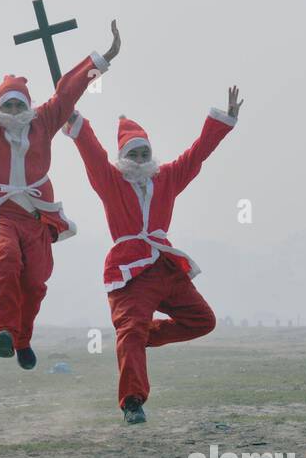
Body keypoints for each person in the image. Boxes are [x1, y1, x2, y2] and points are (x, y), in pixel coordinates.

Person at [0, 22, 120, 370]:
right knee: (7, 258)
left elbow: (69, 91)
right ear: (0, 107)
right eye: (7, 106)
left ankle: (23, 338)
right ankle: (3, 331)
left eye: (18, 105)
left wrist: (104, 58)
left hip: (37, 217)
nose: (13, 112)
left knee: (36, 279)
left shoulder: (44, 121)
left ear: (27, 106)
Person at [63, 87, 242, 423]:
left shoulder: (168, 178)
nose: (141, 160)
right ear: (123, 159)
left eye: (145, 154)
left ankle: (136, 340)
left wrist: (225, 119)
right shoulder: (110, 181)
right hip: (130, 270)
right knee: (130, 331)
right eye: (134, 155)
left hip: (164, 266)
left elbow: (197, 154)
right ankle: (133, 401)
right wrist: (74, 120)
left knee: (203, 320)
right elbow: (91, 151)